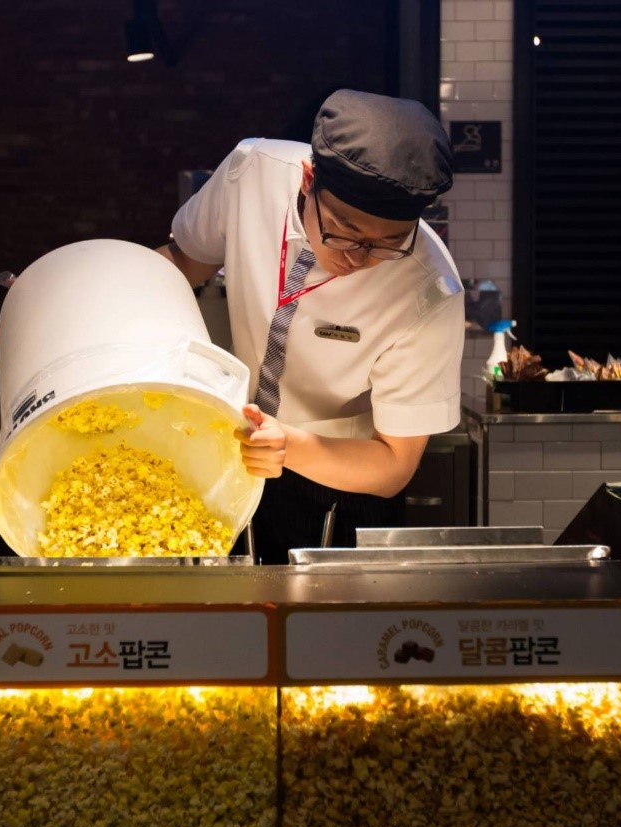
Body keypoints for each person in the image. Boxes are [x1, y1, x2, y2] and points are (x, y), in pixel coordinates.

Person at [157, 89, 465, 563]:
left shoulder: (430, 290)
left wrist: (289, 445)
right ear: (308, 179)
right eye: (343, 231)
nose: (358, 258)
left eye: (387, 244)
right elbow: (179, 265)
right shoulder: (250, 175)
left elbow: (393, 465)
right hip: (228, 458)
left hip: (343, 484)